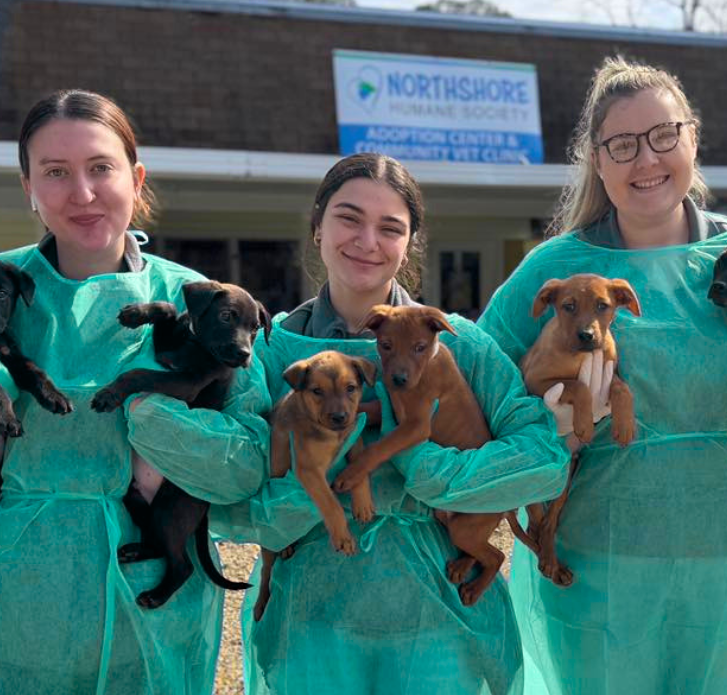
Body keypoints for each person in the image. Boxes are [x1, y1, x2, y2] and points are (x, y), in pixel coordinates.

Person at [477, 57, 727, 695]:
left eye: (663, 136)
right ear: (596, 159)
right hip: (593, 566)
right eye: (622, 145)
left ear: (692, 137)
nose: (646, 160)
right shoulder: (559, 268)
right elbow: (477, 383)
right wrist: (544, 428)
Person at [0, 90, 271, 694]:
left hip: (151, 610)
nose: (82, 193)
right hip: (11, 601)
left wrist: (160, 419)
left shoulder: (199, 298)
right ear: (28, 188)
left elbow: (247, 462)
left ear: (136, 178)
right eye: (56, 173)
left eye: (101, 168)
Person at [210, 152, 571, 695]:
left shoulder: (456, 344)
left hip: (440, 624)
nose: (367, 240)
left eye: (390, 228)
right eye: (349, 218)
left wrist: (436, 471)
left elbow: (542, 456)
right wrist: (286, 505)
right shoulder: (270, 349)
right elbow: (231, 480)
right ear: (317, 227)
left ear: (410, 244)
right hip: (311, 618)